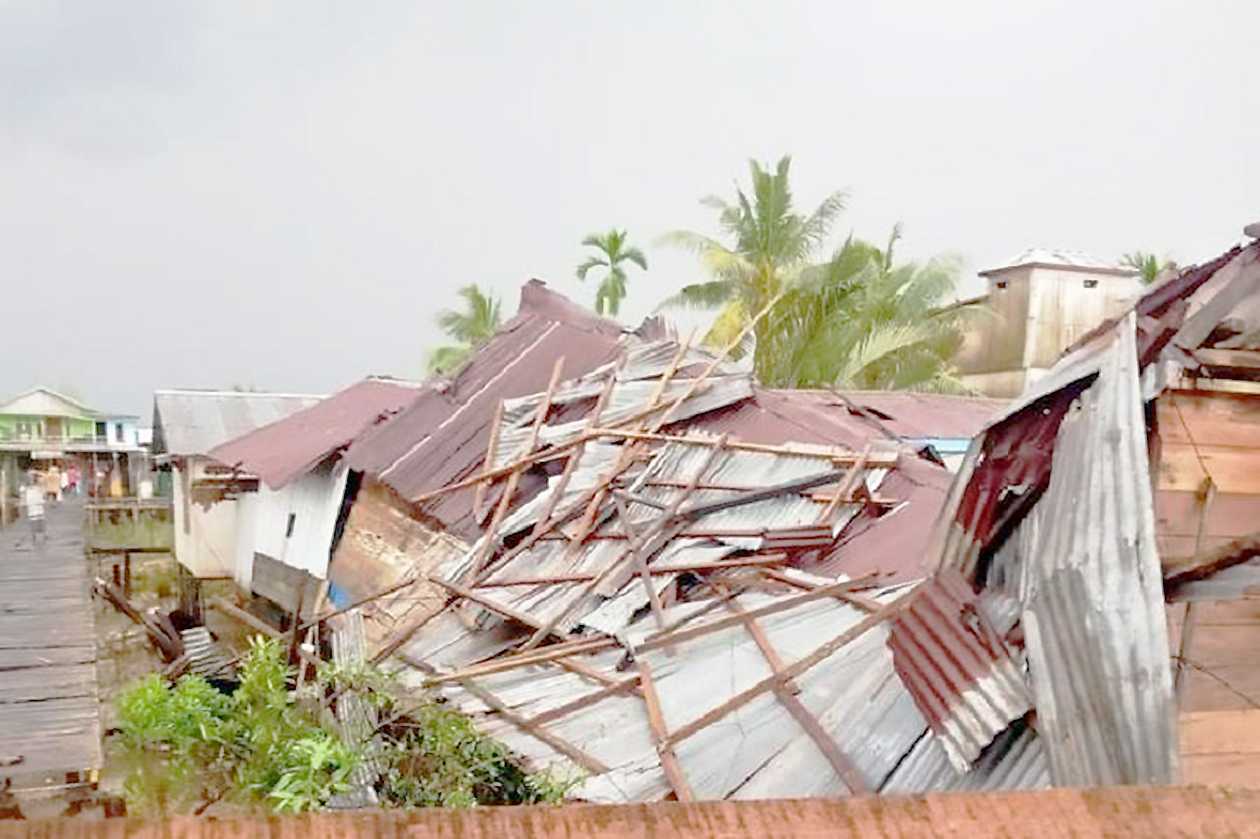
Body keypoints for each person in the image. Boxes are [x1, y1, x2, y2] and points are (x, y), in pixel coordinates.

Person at [21, 477, 45, 545]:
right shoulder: (27, 489)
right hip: (34, 508)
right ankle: (36, 537)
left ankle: (38, 537)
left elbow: (42, 496)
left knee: (37, 523)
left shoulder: (37, 488)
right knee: (35, 523)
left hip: (36, 508)